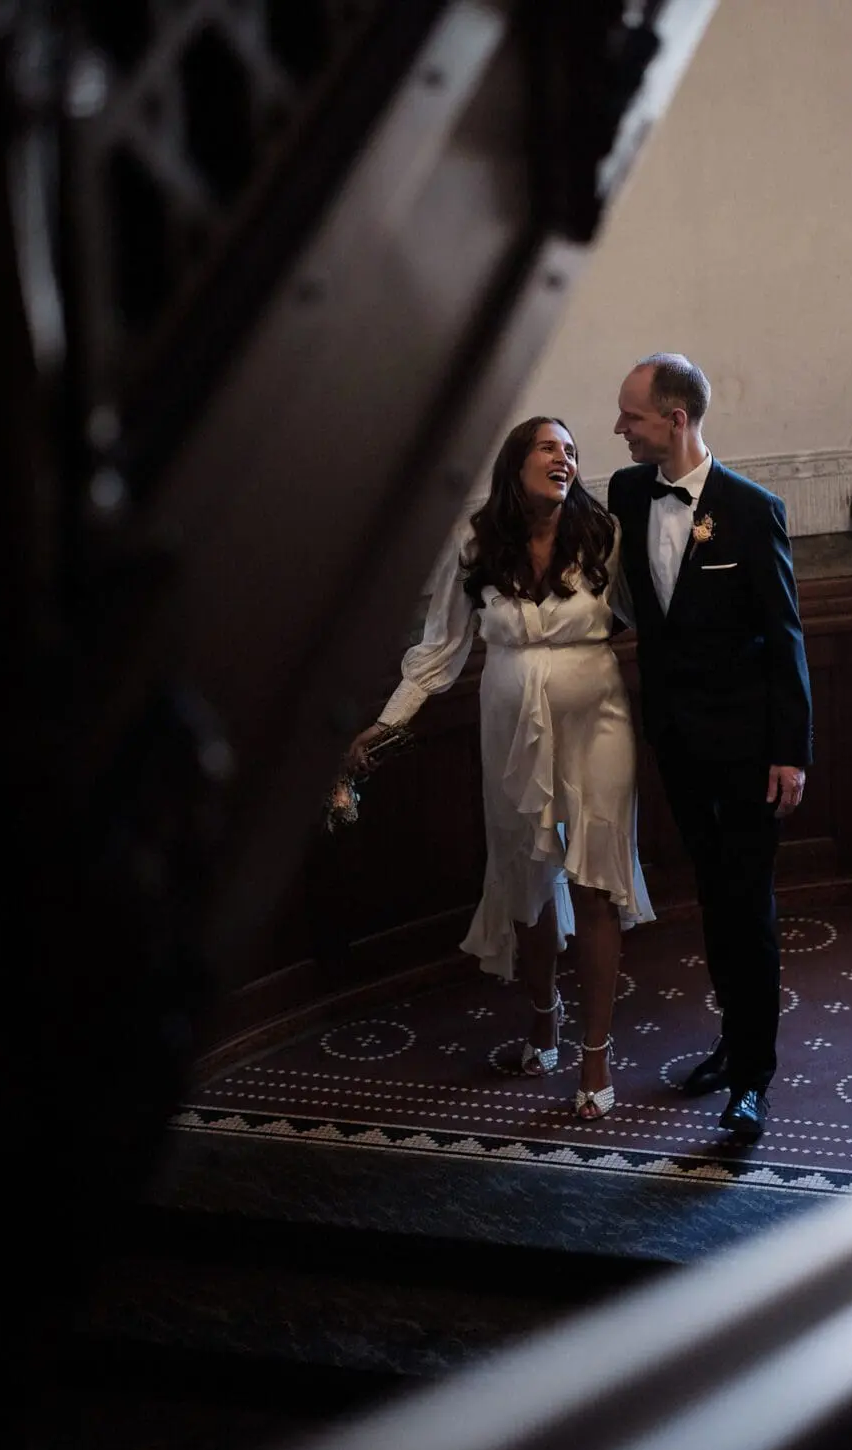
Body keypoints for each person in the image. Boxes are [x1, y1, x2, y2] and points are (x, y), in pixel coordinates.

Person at [347, 417, 654, 1119]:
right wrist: (388, 722)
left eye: (572, 451)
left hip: (598, 720)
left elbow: (654, 616)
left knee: (599, 877)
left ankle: (596, 1056)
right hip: (509, 726)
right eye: (550, 447)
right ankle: (543, 1021)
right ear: (517, 463)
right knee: (527, 876)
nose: (565, 458)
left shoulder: (604, 535)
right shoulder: (476, 545)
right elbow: (439, 651)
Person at [609, 353, 811, 1143]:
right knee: (714, 900)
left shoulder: (751, 510)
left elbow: (787, 635)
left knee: (747, 907)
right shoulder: (628, 492)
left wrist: (791, 752)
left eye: (631, 416)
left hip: (752, 751)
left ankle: (753, 1077)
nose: (619, 428)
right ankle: (730, 1043)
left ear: (676, 420)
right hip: (677, 743)